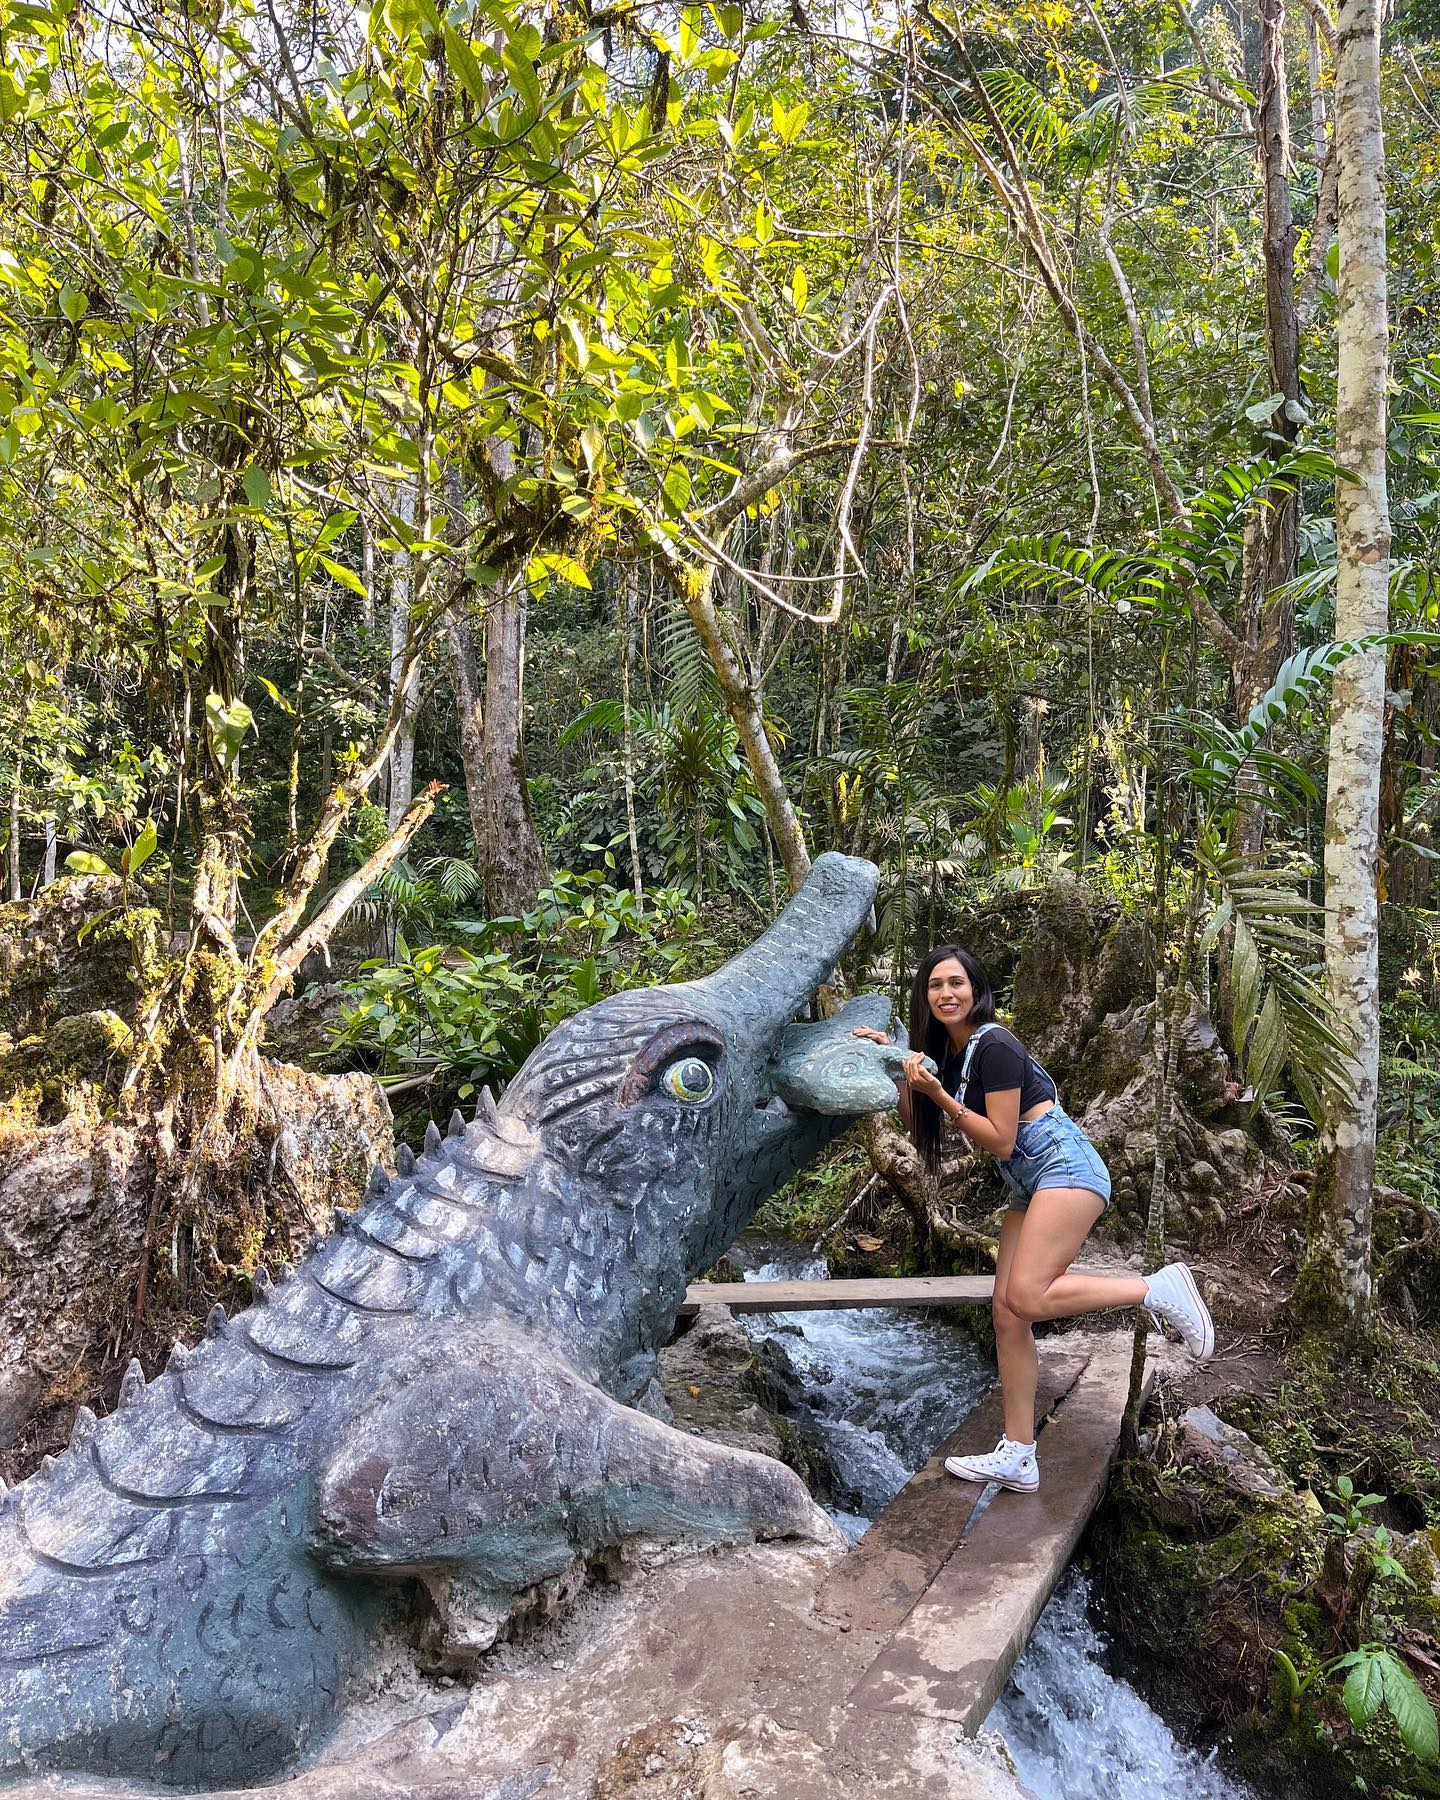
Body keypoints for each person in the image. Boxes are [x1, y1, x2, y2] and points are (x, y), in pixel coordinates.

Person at [852, 943, 1213, 1495]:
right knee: (1006, 1314)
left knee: (1025, 1296)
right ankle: (1019, 1454)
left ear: (977, 990)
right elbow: (916, 1117)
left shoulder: (994, 1044)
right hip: (1025, 1181)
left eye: (957, 983)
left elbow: (998, 1136)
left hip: (1062, 1166)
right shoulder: (948, 1054)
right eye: (935, 986)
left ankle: (1155, 1287)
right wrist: (897, 1067)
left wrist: (941, 1096)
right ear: (924, 996)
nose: (947, 994)